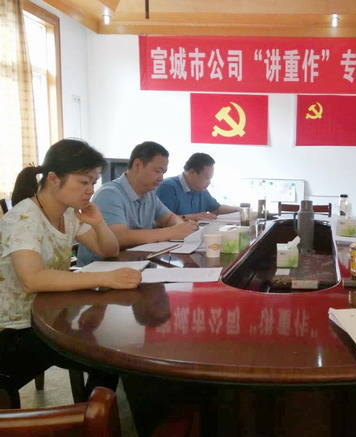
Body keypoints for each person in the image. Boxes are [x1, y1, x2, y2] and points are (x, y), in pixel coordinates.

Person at [0, 139, 141, 400]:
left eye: (94, 183)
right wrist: (102, 278)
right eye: (84, 182)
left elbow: (109, 250)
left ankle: (92, 414)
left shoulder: (67, 214)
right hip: (15, 330)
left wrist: (98, 222)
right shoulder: (23, 219)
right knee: (108, 358)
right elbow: (32, 279)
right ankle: (92, 417)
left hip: (48, 317)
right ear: (53, 179)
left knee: (112, 349)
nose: (90, 190)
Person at [77, 141, 198, 265]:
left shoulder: (150, 194)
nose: (161, 178)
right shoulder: (109, 194)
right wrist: (171, 232)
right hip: (104, 267)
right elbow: (119, 237)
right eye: (157, 171)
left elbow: (169, 217)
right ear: (137, 165)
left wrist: (180, 227)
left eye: (163, 173)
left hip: (137, 264)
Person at [156, 152, 239, 221]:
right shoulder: (167, 187)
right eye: (207, 178)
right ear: (192, 172)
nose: (209, 182)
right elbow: (161, 220)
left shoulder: (200, 189)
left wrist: (239, 210)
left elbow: (216, 209)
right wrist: (194, 217)